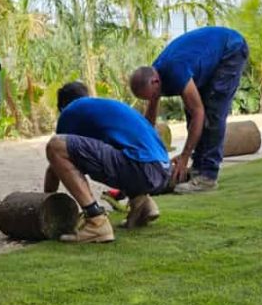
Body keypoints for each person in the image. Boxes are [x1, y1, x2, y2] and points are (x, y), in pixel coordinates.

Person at [45, 82, 169, 243]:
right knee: (116, 151)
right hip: (163, 170)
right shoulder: (105, 108)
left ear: (62, 106)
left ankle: (96, 221)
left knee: (55, 146)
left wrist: (45, 202)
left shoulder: (70, 111)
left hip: (142, 167)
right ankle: (144, 205)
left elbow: (56, 163)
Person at [130, 27, 249, 194]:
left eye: (152, 96)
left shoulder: (174, 71)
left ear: (155, 82)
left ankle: (207, 177)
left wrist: (184, 156)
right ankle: (198, 169)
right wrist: (147, 153)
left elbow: (198, 113)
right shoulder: (154, 76)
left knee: (212, 113)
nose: (153, 99)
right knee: (192, 112)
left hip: (230, 49)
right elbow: (149, 121)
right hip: (210, 57)